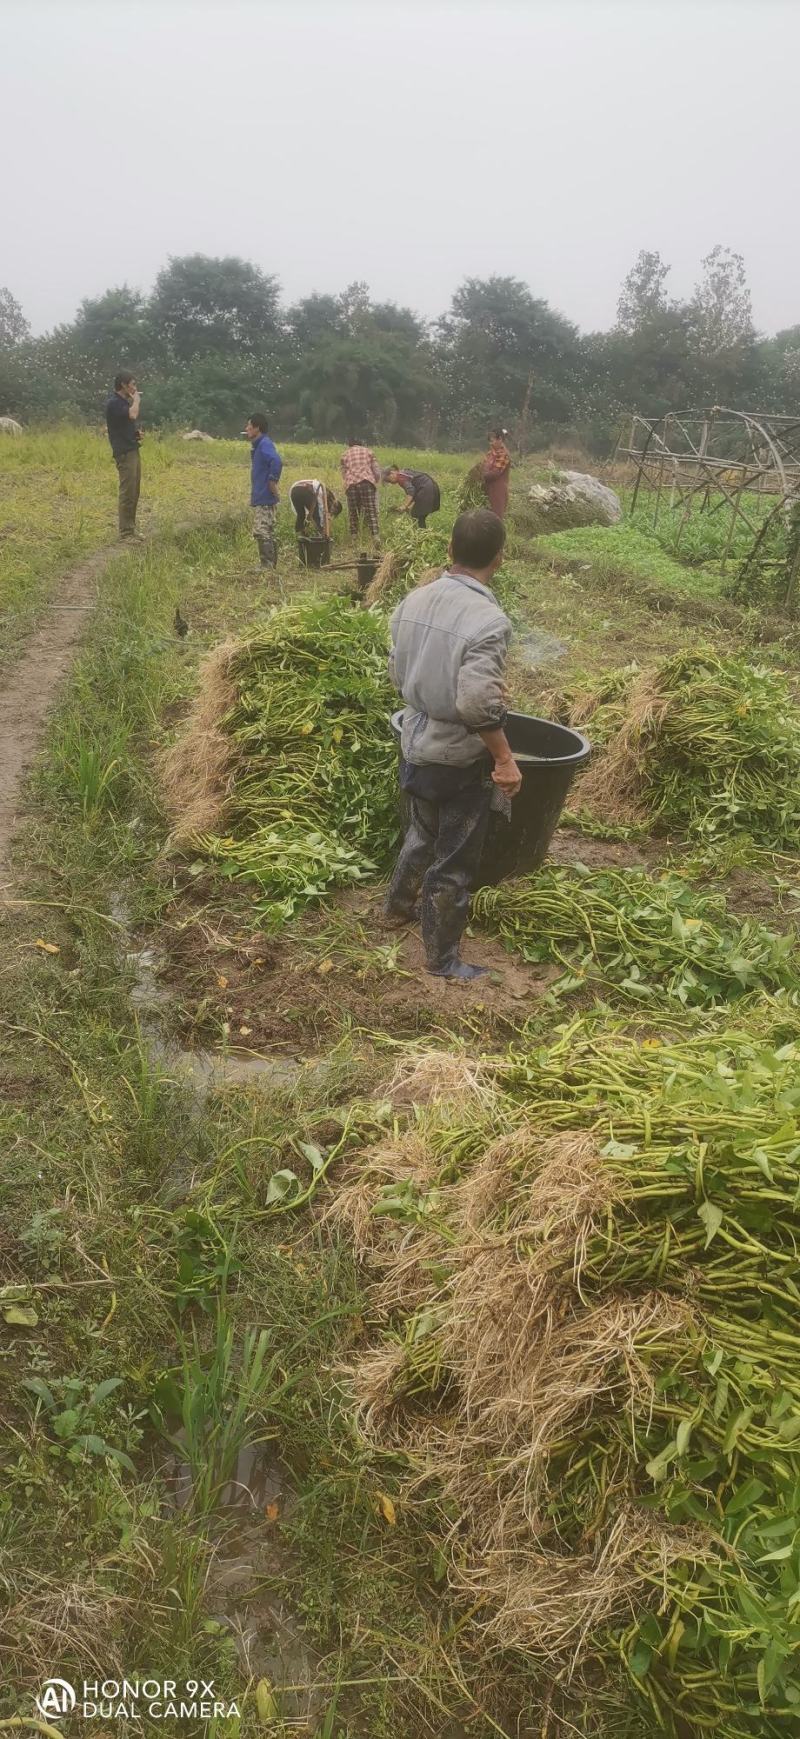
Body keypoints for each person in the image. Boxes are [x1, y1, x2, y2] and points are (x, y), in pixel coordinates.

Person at [384, 508, 522, 981]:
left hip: (414, 739)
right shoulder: (488, 620)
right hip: (457, 756)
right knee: (455, 858)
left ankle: (396, 908)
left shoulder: (413, 600)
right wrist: (504, 758)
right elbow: (477, 705)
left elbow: (398, 672)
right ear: (499, 558)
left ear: (449, 550)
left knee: (420, 832)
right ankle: (442, 959)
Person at [105, 371, 143, 541]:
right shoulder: (114, 403)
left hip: (132, 449)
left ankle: (131, 529)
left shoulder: (122, 403)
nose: (135, 388)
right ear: (123, 385)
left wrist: (135, 434)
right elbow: (133, 414)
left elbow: (124, 424)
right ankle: (126, 533)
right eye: (133, 384)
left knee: (134, 491)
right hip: (124, 453)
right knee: (127, 492)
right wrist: (136, 400)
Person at [245, 413, 282, 567]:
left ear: (257, 428)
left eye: (249, 426)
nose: (246, 429)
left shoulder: (264, 444)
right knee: (266, 529)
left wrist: (272, 481)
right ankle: (270, 564)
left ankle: (267, 565)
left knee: (261, 530)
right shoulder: (259, 445)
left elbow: (276, 461)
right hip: (262, 494)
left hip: (265, 495)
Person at [340, 439, 381, 541]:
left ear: (350, 445)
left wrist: (348, 482)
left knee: (353, 511)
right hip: (366, 482)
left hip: (351, 484)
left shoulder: (345, 454)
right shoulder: (369, 451)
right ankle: (375, 536)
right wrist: (375, 480)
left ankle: (354, 536)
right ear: (361, 444)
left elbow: (344, 473)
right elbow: (376, 469)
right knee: (371, 510)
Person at [386, 464, 441, 529]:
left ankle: (420, 534)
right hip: (432, 487)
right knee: (419, 516)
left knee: (416, 515)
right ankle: (422, 534)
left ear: (392, 473)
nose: (390, 483)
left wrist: (404, 506)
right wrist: (409, 505)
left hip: (426, 489)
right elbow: (415, 491)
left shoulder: (400, 477)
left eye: (388, 480)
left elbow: (411, 491)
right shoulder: (403, 473)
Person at [481, 427, 512, 518]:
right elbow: (483, 466)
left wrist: (481, 476)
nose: (491, 444)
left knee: (496, 517)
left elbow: (495, 473)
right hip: (487, 487)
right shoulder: (490, 453)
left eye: (492, 441)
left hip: (498, 490)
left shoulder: (503, 454)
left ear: (500, 439)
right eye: (489, 441)